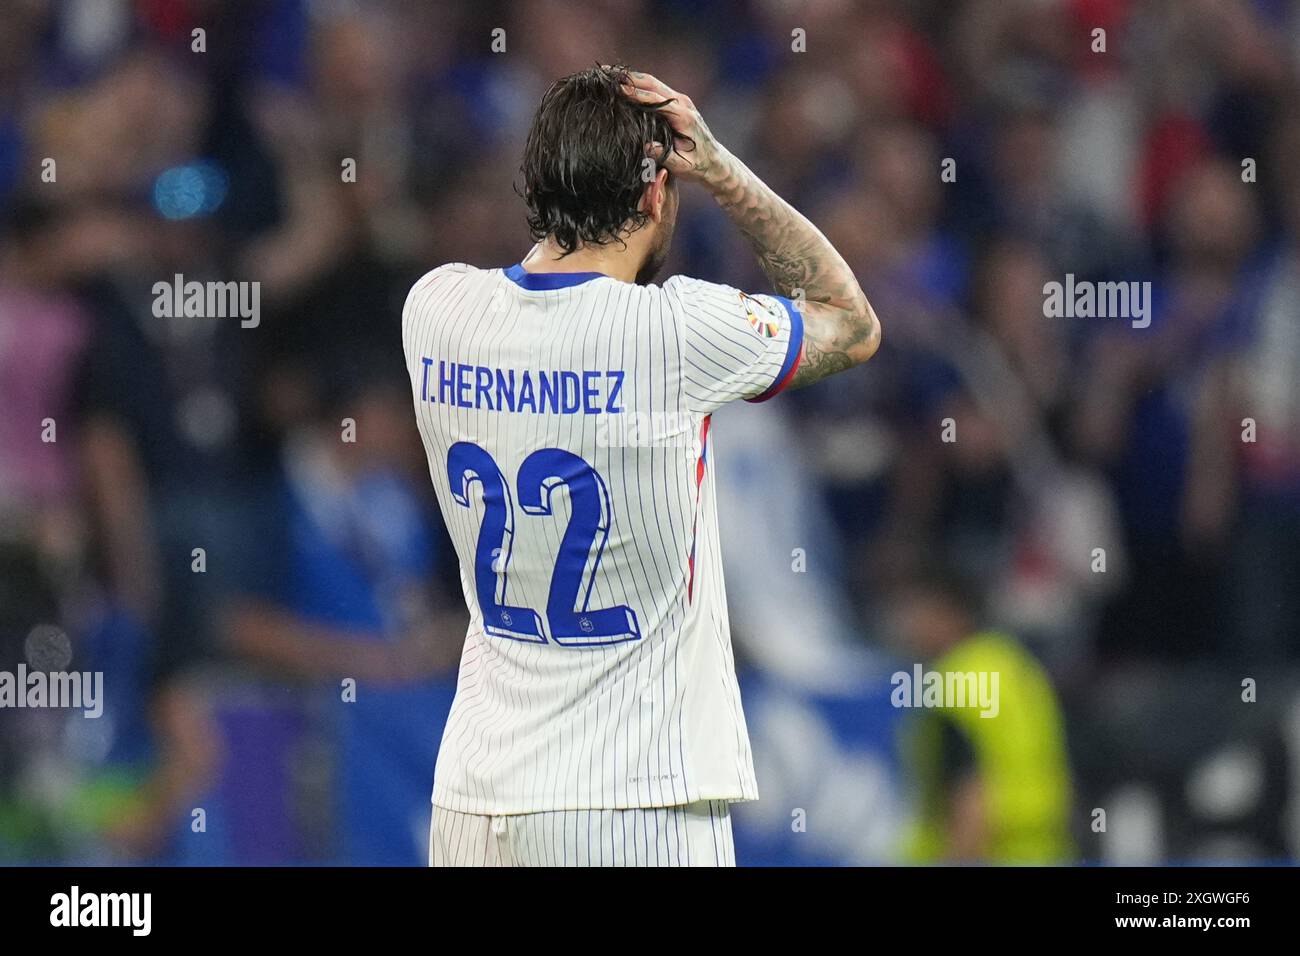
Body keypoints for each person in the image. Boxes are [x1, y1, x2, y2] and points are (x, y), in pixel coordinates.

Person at [403, 65, 880, 866]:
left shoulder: (436, 309)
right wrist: (722, 168)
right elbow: (850, 322)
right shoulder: (677, 332)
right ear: (657, 195)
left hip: (472, 798)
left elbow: (541, 312)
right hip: (631, 799)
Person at [891, 566, 1074, 864]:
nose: (907, 625)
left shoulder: (953, 682)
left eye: (916, 611)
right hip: (1043, 851)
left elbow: (971, 797)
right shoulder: (1017, 666)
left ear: (947, 613)